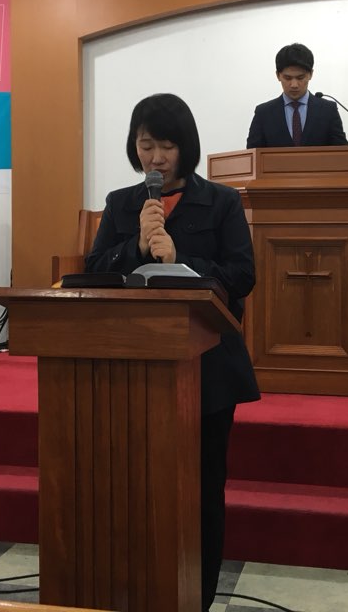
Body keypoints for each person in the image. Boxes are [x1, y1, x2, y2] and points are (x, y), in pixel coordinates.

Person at [85, 92, 259, 611]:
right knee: (134, 486)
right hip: (132, 367)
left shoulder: (222, 202)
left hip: (207, 372)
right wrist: (135, 248)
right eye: (146, 146)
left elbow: (243, 276)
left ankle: (197, 597)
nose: (156, 158)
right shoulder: (122, 203)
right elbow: (92, 272)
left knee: (201, 490)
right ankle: (137, 589)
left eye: (166, 146)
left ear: (186, 147)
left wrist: (182, 260)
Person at [246, 42, 348, 148]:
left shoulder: (328, 110)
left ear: (311, 74)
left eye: (300, 78)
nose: (294, 85)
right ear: (278, 75)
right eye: (287, 78)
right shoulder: (263, 113)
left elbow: (343, 152)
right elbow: (252, 154)